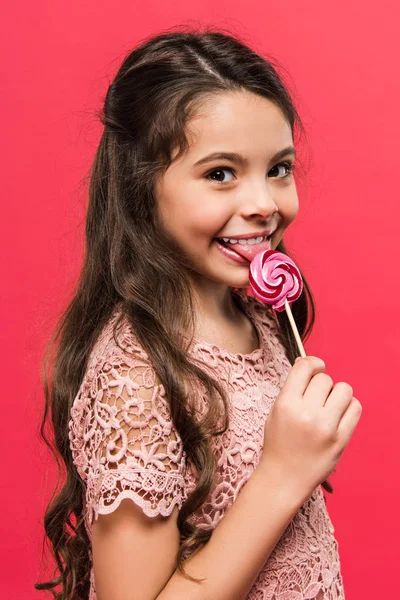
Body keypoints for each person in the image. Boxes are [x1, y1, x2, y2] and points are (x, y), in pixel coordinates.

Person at [35, 26, 362, 600]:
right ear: (142, 189)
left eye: (279, 167)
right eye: (220, 174)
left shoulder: (254, 315)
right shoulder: (134, 377)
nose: (262, 204)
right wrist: (284, 473)